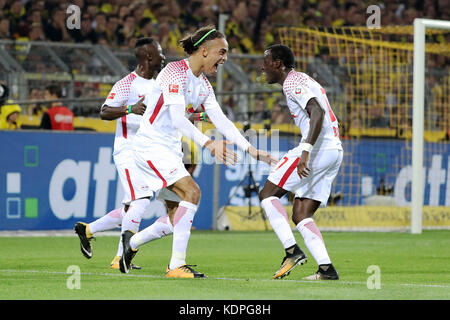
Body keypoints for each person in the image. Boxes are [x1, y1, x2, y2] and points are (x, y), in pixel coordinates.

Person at [119, 25, 277, 278]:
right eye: (222, 52)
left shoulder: (202, 84)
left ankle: (132, 243)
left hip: (168, 149)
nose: (225, 58)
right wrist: (209, 143)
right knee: (192, 192)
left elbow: (221, 120)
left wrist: (252, 150)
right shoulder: (174, 72)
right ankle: (176, 266)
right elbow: (178, 119)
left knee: (175, 219)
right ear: (204, 51)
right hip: (150, 146)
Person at [74, 37, 169, 269]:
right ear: (148, 57)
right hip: (127, 150)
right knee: (142, 199)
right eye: (160, 53)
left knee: (131, 207)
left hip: (147, 152)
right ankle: (120, 257)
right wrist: (130, 109)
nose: (164, 57)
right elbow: (104, 112)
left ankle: (87, 230)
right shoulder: (127, 84)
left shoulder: (158, 85)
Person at [259, 44, 343, 280]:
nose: (262, 66)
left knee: (267, 194)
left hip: (318, 149)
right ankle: (326, 269)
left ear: (278, 64)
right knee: (301, 214)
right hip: (334, 150)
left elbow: (317, 112)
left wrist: (305, 151)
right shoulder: (302, 80)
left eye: (265, 61)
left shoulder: (294, 82)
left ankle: (291, 251)